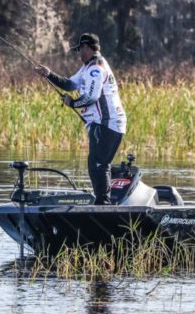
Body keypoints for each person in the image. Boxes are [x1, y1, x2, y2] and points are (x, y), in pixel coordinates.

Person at [33, 33, 126, 205]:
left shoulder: (96, 69)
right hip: (102, 124)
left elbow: (92, 97)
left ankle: (103, 204)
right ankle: (101, 201)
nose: (78, 54)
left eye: (79, 50)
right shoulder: (87, 67)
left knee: (98, 163)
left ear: (86, 47)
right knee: (95, 163)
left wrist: (73, 103)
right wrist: (48, 74)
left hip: (107, 124)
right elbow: (69, 84)